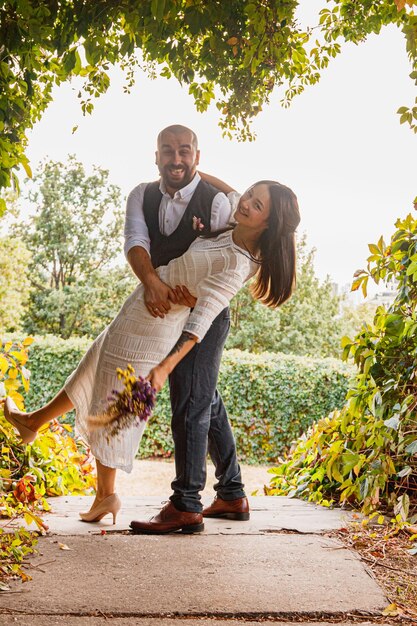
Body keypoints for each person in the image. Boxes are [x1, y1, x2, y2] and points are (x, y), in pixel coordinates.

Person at [3, 175, 301, 533]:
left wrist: (165, 366)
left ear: (268, 223)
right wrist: (192, 170)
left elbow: (201, 322)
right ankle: (34, 422)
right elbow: (229, 190)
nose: (246, 202)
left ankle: (155, 500)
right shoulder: (236, 219)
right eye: (250, 193)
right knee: (103, 366)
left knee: (126, 395)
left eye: (257, 204)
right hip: (156, 305)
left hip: (165, 319)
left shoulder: (237, 262)